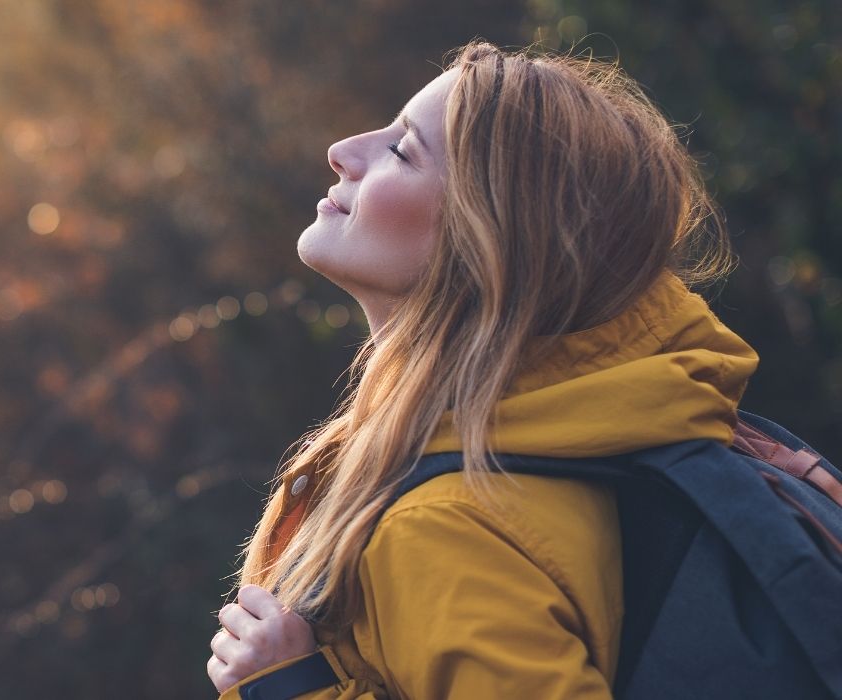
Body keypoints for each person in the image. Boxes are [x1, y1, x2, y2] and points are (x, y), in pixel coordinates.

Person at [207, 40, 758, 699]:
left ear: (484, 239)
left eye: (401, 151)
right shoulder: (593, 435)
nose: (345, 150)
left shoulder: (444, 526)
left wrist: (290, 687)